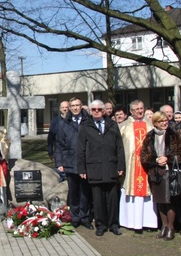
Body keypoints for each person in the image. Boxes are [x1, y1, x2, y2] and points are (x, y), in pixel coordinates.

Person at [77, 100, 125, 236]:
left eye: (99, 109)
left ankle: (114, 224)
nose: (96, 111)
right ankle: (101, 225)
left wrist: (121, 166)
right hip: (94, 167)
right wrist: (82, 169)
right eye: (94, 109)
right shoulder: (85, 126)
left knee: (112, 198)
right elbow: (80, 149)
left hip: (111, 166)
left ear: (104, 111)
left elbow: (119, 147)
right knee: (97, 200)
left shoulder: (112, 125)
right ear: (90, 111)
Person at [140, 111, 181, 240]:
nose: (164, 123)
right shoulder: (149, 136)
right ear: (155, 123)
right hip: (156, 173)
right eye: (161, 121)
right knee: (160, 201)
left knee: (170, 201)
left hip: (170, 172)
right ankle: (164, 226)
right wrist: (155, 160)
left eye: (165, 120)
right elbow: (143, 156)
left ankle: (171, 227)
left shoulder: (174, 135)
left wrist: (168, 158)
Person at [119, 100, 157, 232]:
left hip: (147, 165)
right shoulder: (124, 126)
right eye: (136, 109)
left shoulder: (152, 125)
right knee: (132, 192)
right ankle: (131, 222)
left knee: (148, 192)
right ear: (131, 111)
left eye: (141, 108)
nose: (140, 111)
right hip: (130, 166)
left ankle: (148, 222)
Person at [54, 97, 92, 229]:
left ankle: (85, 217)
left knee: (85, 191)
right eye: (73, 106)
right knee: (74, 191)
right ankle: (75, 216)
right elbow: (59, 145)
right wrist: (59, 162)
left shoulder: (89, 121)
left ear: (81, 106)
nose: (75, 108)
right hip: (69, 162)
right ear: (69, 108)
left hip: (86, 162)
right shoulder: (64, 123)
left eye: (77, 105)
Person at [48, 100, 70, 181]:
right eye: (63, 107)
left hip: (71, 152)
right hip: (59, 151)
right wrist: (50, 151)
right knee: (59, 173)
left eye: (66, 107)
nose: (64, 109)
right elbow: (50, 137)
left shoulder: (73, 120)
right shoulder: (55, 120)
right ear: (60, 109)